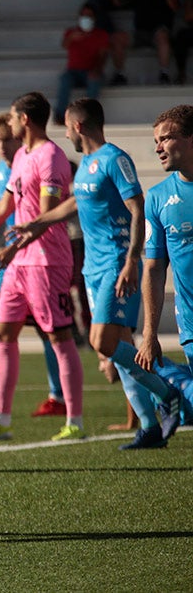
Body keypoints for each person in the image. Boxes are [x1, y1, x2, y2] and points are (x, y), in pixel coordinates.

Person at [13, 98, 183, 449]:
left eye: (67, 129)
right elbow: (75, 204)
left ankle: (168, 393)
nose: (67, 136)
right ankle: (150, 427)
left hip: (116, 264)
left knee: (100, 342)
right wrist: (35, 224)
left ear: (77, 126)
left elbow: (137, 209)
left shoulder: (114, 159)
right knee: (120, 350)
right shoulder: (88, 164)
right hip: (93, 267)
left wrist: (131, 261)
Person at [0, 92, 86, 442]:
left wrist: (11, 250)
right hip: (19, 261)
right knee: (3, 333)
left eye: (10, 117)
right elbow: (6, 205)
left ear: (24, 119)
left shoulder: (51, 156)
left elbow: (46, 217)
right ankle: (1, 419)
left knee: (59, 336)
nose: (7, 123)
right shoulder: (21, 155)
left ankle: (75, 422)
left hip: (46, 261)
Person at [0, 114, 69, 420]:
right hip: (9, 256)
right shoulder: (1, 171)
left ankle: (58, 395)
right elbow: (3, 210)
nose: (2, 146)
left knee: (49, 331)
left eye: (6, 139)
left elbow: (53, 210)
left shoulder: (43, 159)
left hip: (36, 254)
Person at [135, 105, 193, 424]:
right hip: (191, 323)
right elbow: (154, 269)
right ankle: (177, 383)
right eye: (155, 141)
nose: (158, 147)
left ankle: (177, 385)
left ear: (190, 139)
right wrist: (149, 334)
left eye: (166, 138)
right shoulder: (157, 198)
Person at [54, 4, 109, 125]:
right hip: (73, 72)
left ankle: (88, 117)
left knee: (94, 81)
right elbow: (64, 45)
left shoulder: (101, 35)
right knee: (64, 80)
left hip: (91, 70)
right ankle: (60, 115)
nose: (86, 18)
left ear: (94, 18)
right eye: (83, 15)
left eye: (89, 15)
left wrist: (96, 70)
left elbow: (103, 56)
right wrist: (71, 38)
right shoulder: (71, 33)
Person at [131, 0, 179, 84]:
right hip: (142, 28)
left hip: (160, 28)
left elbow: (174, 7)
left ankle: (164, 73)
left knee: (162, 36)